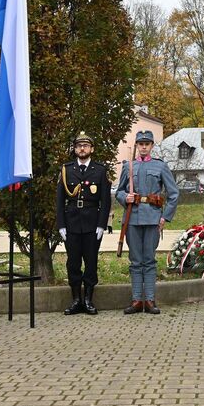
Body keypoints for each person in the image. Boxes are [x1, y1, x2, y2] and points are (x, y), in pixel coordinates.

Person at [116, 130, 179, 315]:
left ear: (151, 146)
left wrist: (165, 217)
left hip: (152, 218)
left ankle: (150, 300)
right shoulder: (128, 167)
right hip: (132, 219)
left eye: (147, 144)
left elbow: (174, 193)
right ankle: (137, 300)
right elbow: (119, 191)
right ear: (136, 145)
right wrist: (125, 197)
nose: (143, 147)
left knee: (149, 260)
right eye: (140, 144)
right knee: (136, 261)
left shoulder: (160, 166)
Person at [56, 131, 112, 316]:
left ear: (91, 149)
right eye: (79, 146)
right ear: (75, 149)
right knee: (72, 263)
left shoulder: (100, 170)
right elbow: (59, 200)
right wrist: (61, 225)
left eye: (85, 146)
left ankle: (88, 300)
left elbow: (105, 201)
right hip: (71, 223)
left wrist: (102, 224)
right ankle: (75, 300)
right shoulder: (66, 170)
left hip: (92, 223)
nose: (82, 148)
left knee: (91, 262)